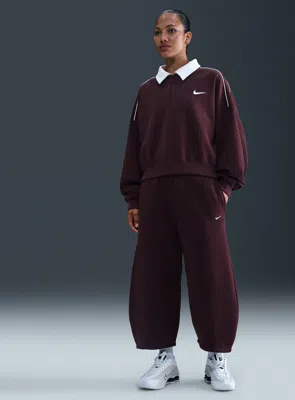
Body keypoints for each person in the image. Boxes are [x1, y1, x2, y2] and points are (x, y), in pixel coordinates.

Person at [120, 9, 248, 391]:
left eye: (171, 30)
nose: (163, 38)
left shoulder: (211, 81)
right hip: (155, 194)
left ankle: (217, 358)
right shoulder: (147, 91)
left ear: (187, 37)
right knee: (154, 275)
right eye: (157, 32)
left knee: (212, 274)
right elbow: (134, 147)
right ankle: (164, 359)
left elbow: (231, 137)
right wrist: (134, 197)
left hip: (201, 193)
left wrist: (223, 189)